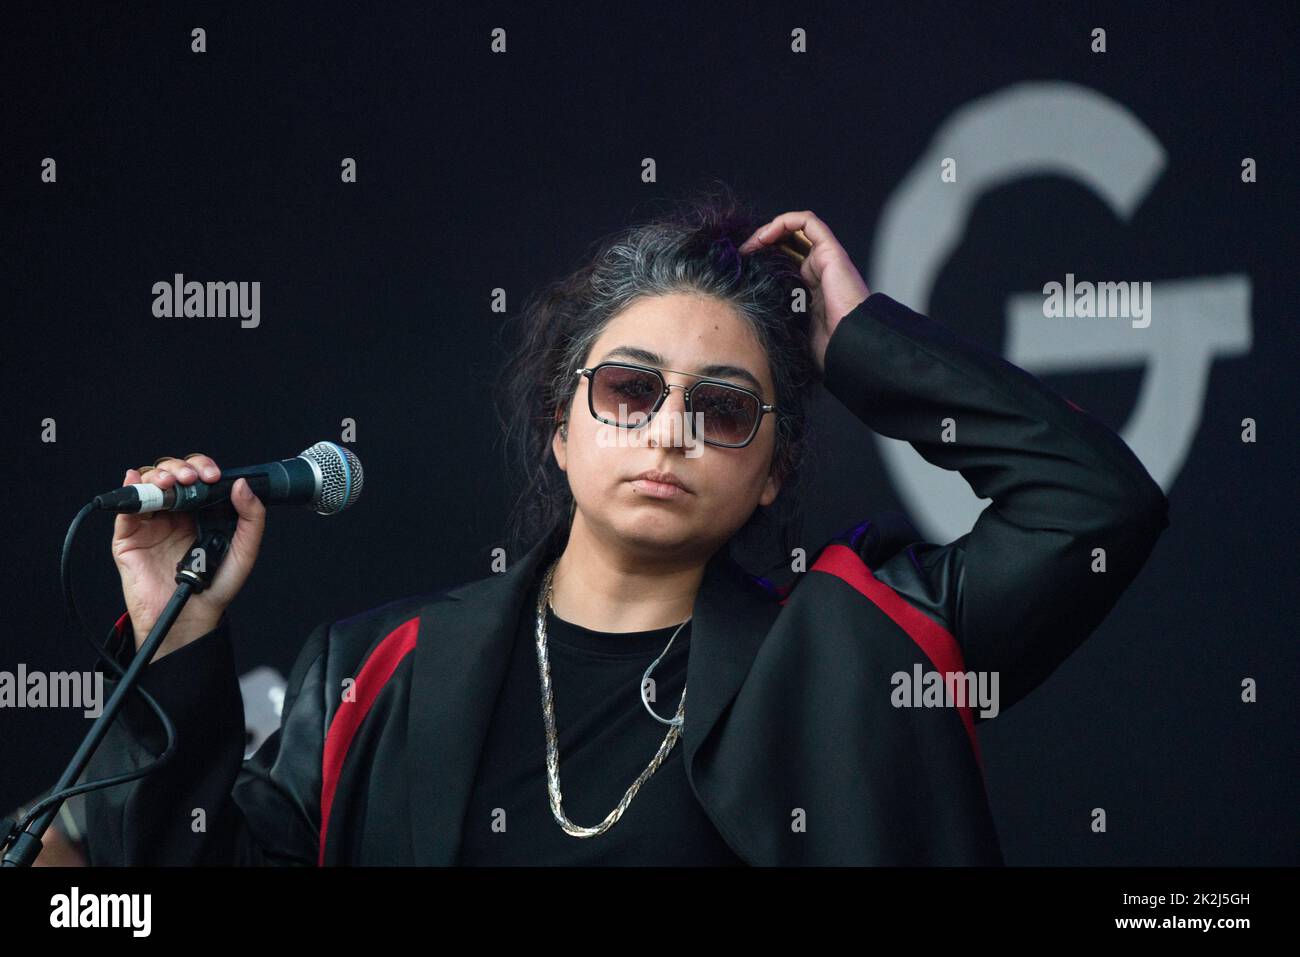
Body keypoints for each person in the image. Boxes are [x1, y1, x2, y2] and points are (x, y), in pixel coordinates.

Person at [83, 192, 1170, 866]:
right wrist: (172, 637)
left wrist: (865, 347)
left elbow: (1093, 505)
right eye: (628, 391)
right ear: (560, 428)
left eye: (724, 407)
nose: (669, 433)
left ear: (769, 471)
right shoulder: (374, 671)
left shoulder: (863, 644)